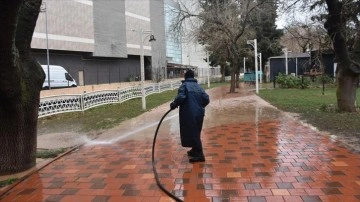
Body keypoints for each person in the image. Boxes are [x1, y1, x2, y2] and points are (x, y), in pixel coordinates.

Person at [170, 69, 210, 163]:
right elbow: (206, 99)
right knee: (196, 132)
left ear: (186, 77)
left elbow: (181, 97)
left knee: (193, 133)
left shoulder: (184, 86)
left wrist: (173, 104)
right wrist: (199, 107)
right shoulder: (198, 87)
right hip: (199, 114)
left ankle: (200, 155)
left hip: (189, 114)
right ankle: (195, 150)